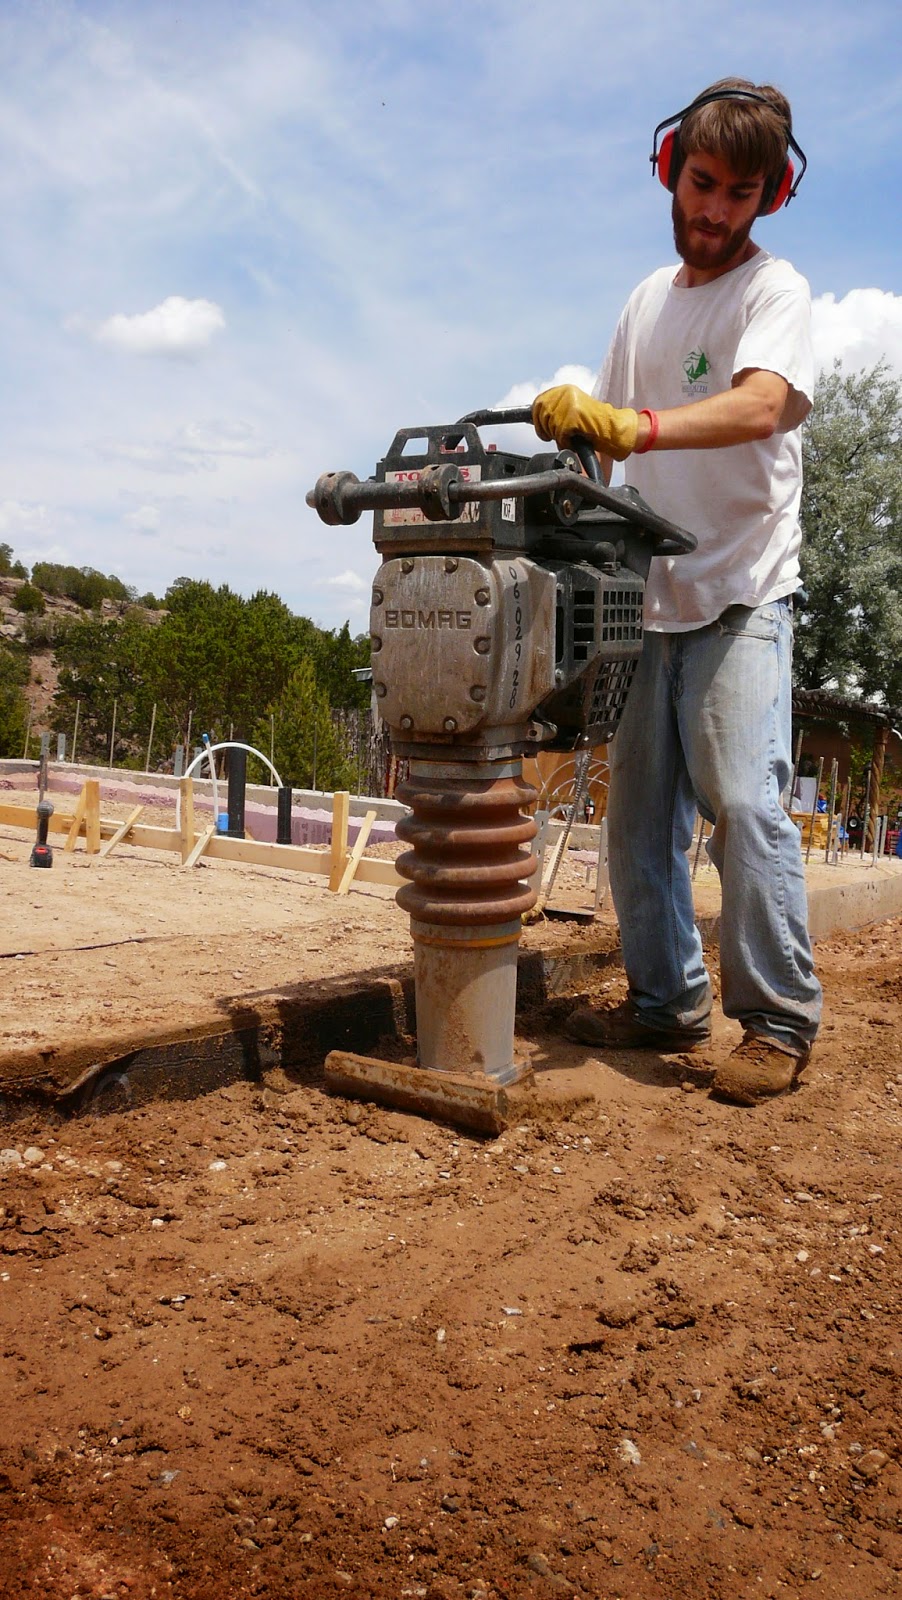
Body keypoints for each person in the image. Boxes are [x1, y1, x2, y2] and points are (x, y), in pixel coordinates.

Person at [531, 78, 822, 1107]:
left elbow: (758, 406)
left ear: (768, 197)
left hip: (741, 585)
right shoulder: (645, 300)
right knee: (636, 819)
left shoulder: (772, 292)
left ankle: (778, 1019)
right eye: (700, 184)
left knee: (743, 802)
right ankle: (664, 1003)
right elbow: (605, 442)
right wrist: (576, 442)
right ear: (668, 169)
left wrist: (635, 427)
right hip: (648, 590)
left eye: (736, 194)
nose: (711, 210)